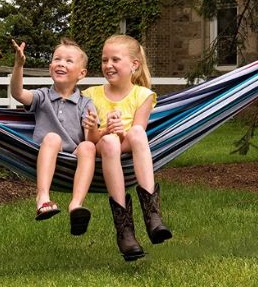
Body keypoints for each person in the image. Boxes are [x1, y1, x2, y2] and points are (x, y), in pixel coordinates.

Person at [82, 34, 172, 261]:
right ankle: (125, 230)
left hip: (127, 142)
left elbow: (137, 132)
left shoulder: (143, 95)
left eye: (115, 59)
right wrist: (105, 130)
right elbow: (89, 139)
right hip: (103, 145)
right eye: (104, 60)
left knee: (137, 132)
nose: (108, 65)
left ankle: (153, 216)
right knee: (110, 142)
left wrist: (121, 131)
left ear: (134, 65)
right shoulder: (90, 95)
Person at [10, 38, 99, 235]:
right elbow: (18, 93)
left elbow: (90, 140)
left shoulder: (86, 103)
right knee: (52, 137)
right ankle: (42, 197)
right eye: (57, 59)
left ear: (82, 73)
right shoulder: (42, 96)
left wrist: (93, 127)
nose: (61, 63)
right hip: (45, 151)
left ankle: (76, 205)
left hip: (72, 157)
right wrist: (19, 65)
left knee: (88, 147)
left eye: (68, 61)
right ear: (50, 67)